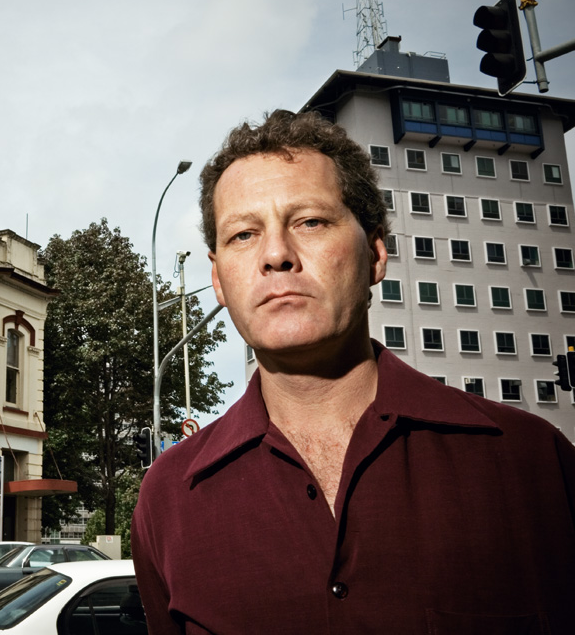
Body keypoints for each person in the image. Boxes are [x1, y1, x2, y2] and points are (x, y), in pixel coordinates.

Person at [131, 110, 575, 634]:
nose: (276, 254)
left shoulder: (532, 463)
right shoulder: (167, 498)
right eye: (244, 235)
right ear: (219, 280)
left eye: (310, 222)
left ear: (376, 256)